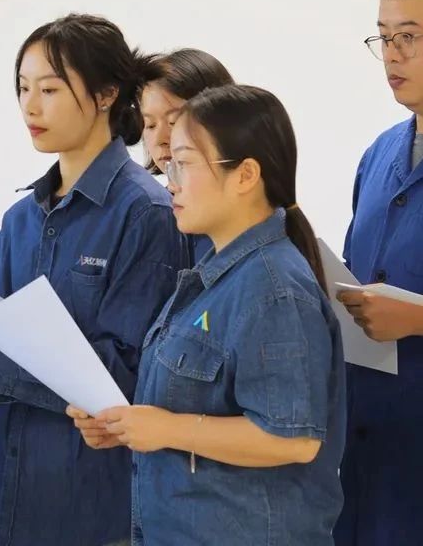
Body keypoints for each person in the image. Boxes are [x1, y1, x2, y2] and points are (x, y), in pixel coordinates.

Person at [0, 14, 188, 546]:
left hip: (97, 516)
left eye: (49, 89)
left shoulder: (147, 213)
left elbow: (127, 377)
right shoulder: (20, 220)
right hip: (10, 510)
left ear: (106, 94)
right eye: (23, 88)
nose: (30, 107)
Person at [71, 84, 346, 545]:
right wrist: (128, 424)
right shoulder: (218, 273)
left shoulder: (274, 288)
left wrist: (166, 429)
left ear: (245, 175)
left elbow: (293, 439)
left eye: (184, 163)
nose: (170, 181)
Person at [335, 0, 423, 544]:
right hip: (365, 460)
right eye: (383, 38)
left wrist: (418, 318)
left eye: (409, 37)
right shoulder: (379, 154)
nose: (392, 55)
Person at [139, 49, 234, 263]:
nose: (160, 139)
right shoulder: (151, 211)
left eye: (174, 122)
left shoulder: (240, 218)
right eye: (149, 125)